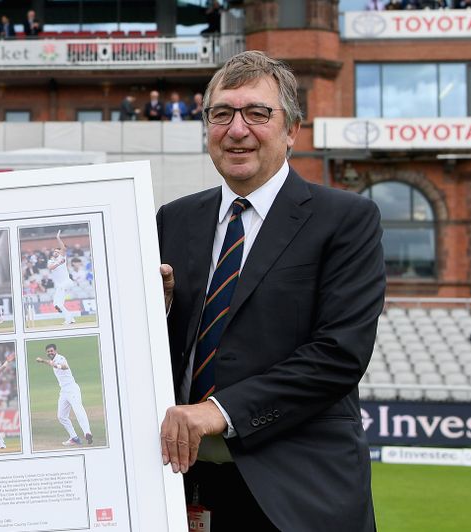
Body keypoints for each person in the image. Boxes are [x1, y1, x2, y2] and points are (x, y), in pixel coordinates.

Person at [156, 51, 384, 531]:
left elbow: (338, 354)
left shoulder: (345, 219)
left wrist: (218, 411)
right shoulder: (172, 219)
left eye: (257, 113)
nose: (236, 129)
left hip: (295, 493)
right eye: (221, 114)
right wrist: (158, 308)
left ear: (291, 130)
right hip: (179, 486)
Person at [35, 344, 93, 446]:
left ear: (56, 351)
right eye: (48, 352)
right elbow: (51, 363)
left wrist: (46, 362)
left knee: (78, 409)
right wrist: (47, 362)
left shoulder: (61, 358)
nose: (50, 353)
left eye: (51, 351)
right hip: (64, 391)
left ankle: (87, 432)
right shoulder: (53, 360)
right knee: (61, 416)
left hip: (72, 389)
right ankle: (74, 438)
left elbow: (65, 366)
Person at [48, 230, 76, 325]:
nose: (56, 252)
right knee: (57, 304)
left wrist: (58, 238)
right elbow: (51, 267)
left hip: (67, 282)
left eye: (58, 251)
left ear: (60, 252)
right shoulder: (51, 261)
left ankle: (69, 319)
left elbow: (63, 248)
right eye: (55, 252)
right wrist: (58, 263)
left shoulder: (62, 257)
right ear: (53, 254)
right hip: (60, 285)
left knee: (60, 289)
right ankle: (70, 318)